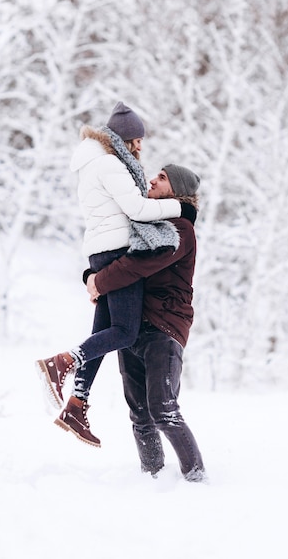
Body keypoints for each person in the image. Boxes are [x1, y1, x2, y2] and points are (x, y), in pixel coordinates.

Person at [36, 102, 182, 446]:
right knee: (124, 332)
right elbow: (138, 208)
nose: (141, 146)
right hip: (117, 251)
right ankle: (60, 364)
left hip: (100, 250)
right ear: (124, 138)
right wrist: (181, 207)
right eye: (137, 139)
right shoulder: (110, 165)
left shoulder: (93, 164)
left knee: (102, 331)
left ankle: (76, 403)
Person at [85, 164, 206, 482]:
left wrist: (99, 282)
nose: (153, 179)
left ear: (176, 190)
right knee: (140, 414)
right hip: (131, 326)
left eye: (162, 178)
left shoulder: (179, 229)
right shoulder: (145, 224)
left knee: (162, 409)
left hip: (163, 328)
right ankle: (152, 478)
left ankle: (196, 478)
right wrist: (91, 276)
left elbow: (138, 264)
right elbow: (117, 256)